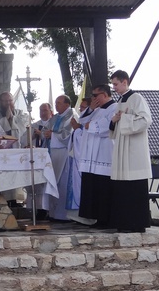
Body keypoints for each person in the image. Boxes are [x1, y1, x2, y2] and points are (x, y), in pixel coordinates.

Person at [109, 70, 153, 233]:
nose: (114, 88)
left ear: (125, 82)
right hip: (122, 148)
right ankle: (124, 222)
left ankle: (137, 223)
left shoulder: (137, 98)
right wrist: (113, 121)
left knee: (135, 187)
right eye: (113, 84)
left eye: (115, 84)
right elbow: (116, 125)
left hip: (134, 150)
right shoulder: (120, 100)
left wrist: (124, 119)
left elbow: (146, 120)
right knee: (122, 187)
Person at [77, 84, 118, 227]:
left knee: (103, 186)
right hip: (91, 155)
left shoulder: (115, 107)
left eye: (96, 95)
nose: (93, 98)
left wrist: (92, 125)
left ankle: (105, 218)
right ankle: (95, 217)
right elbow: (82, 121)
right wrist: (91, 109)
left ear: (105, 94)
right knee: (92, 185)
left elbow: (110, 125)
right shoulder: (96, 109)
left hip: (104, 152)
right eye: (92, 96)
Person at [42, 95, 78, 221]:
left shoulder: (72, 116)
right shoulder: (56, 117)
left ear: (67, 104)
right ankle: (53, 213)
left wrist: (52, 135)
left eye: (59, 103)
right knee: (53, 182)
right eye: (56, 103)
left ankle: (63, 215)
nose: (56, 105)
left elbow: (67, 136)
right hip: (53, 154)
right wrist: (46, 133)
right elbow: (46, 130)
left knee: (63, 183)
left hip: (64, 154)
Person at [65, 97, 96, 225]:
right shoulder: (83, 122)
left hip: (85, 160)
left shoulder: (91, 121)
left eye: (83, 107)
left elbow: (85, 139)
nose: (81, 110)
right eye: (81, 108)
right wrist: (77, 128)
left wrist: (77, 129)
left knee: (80, 186)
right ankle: (75, 213)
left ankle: (83, 214)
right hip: (76, 159)